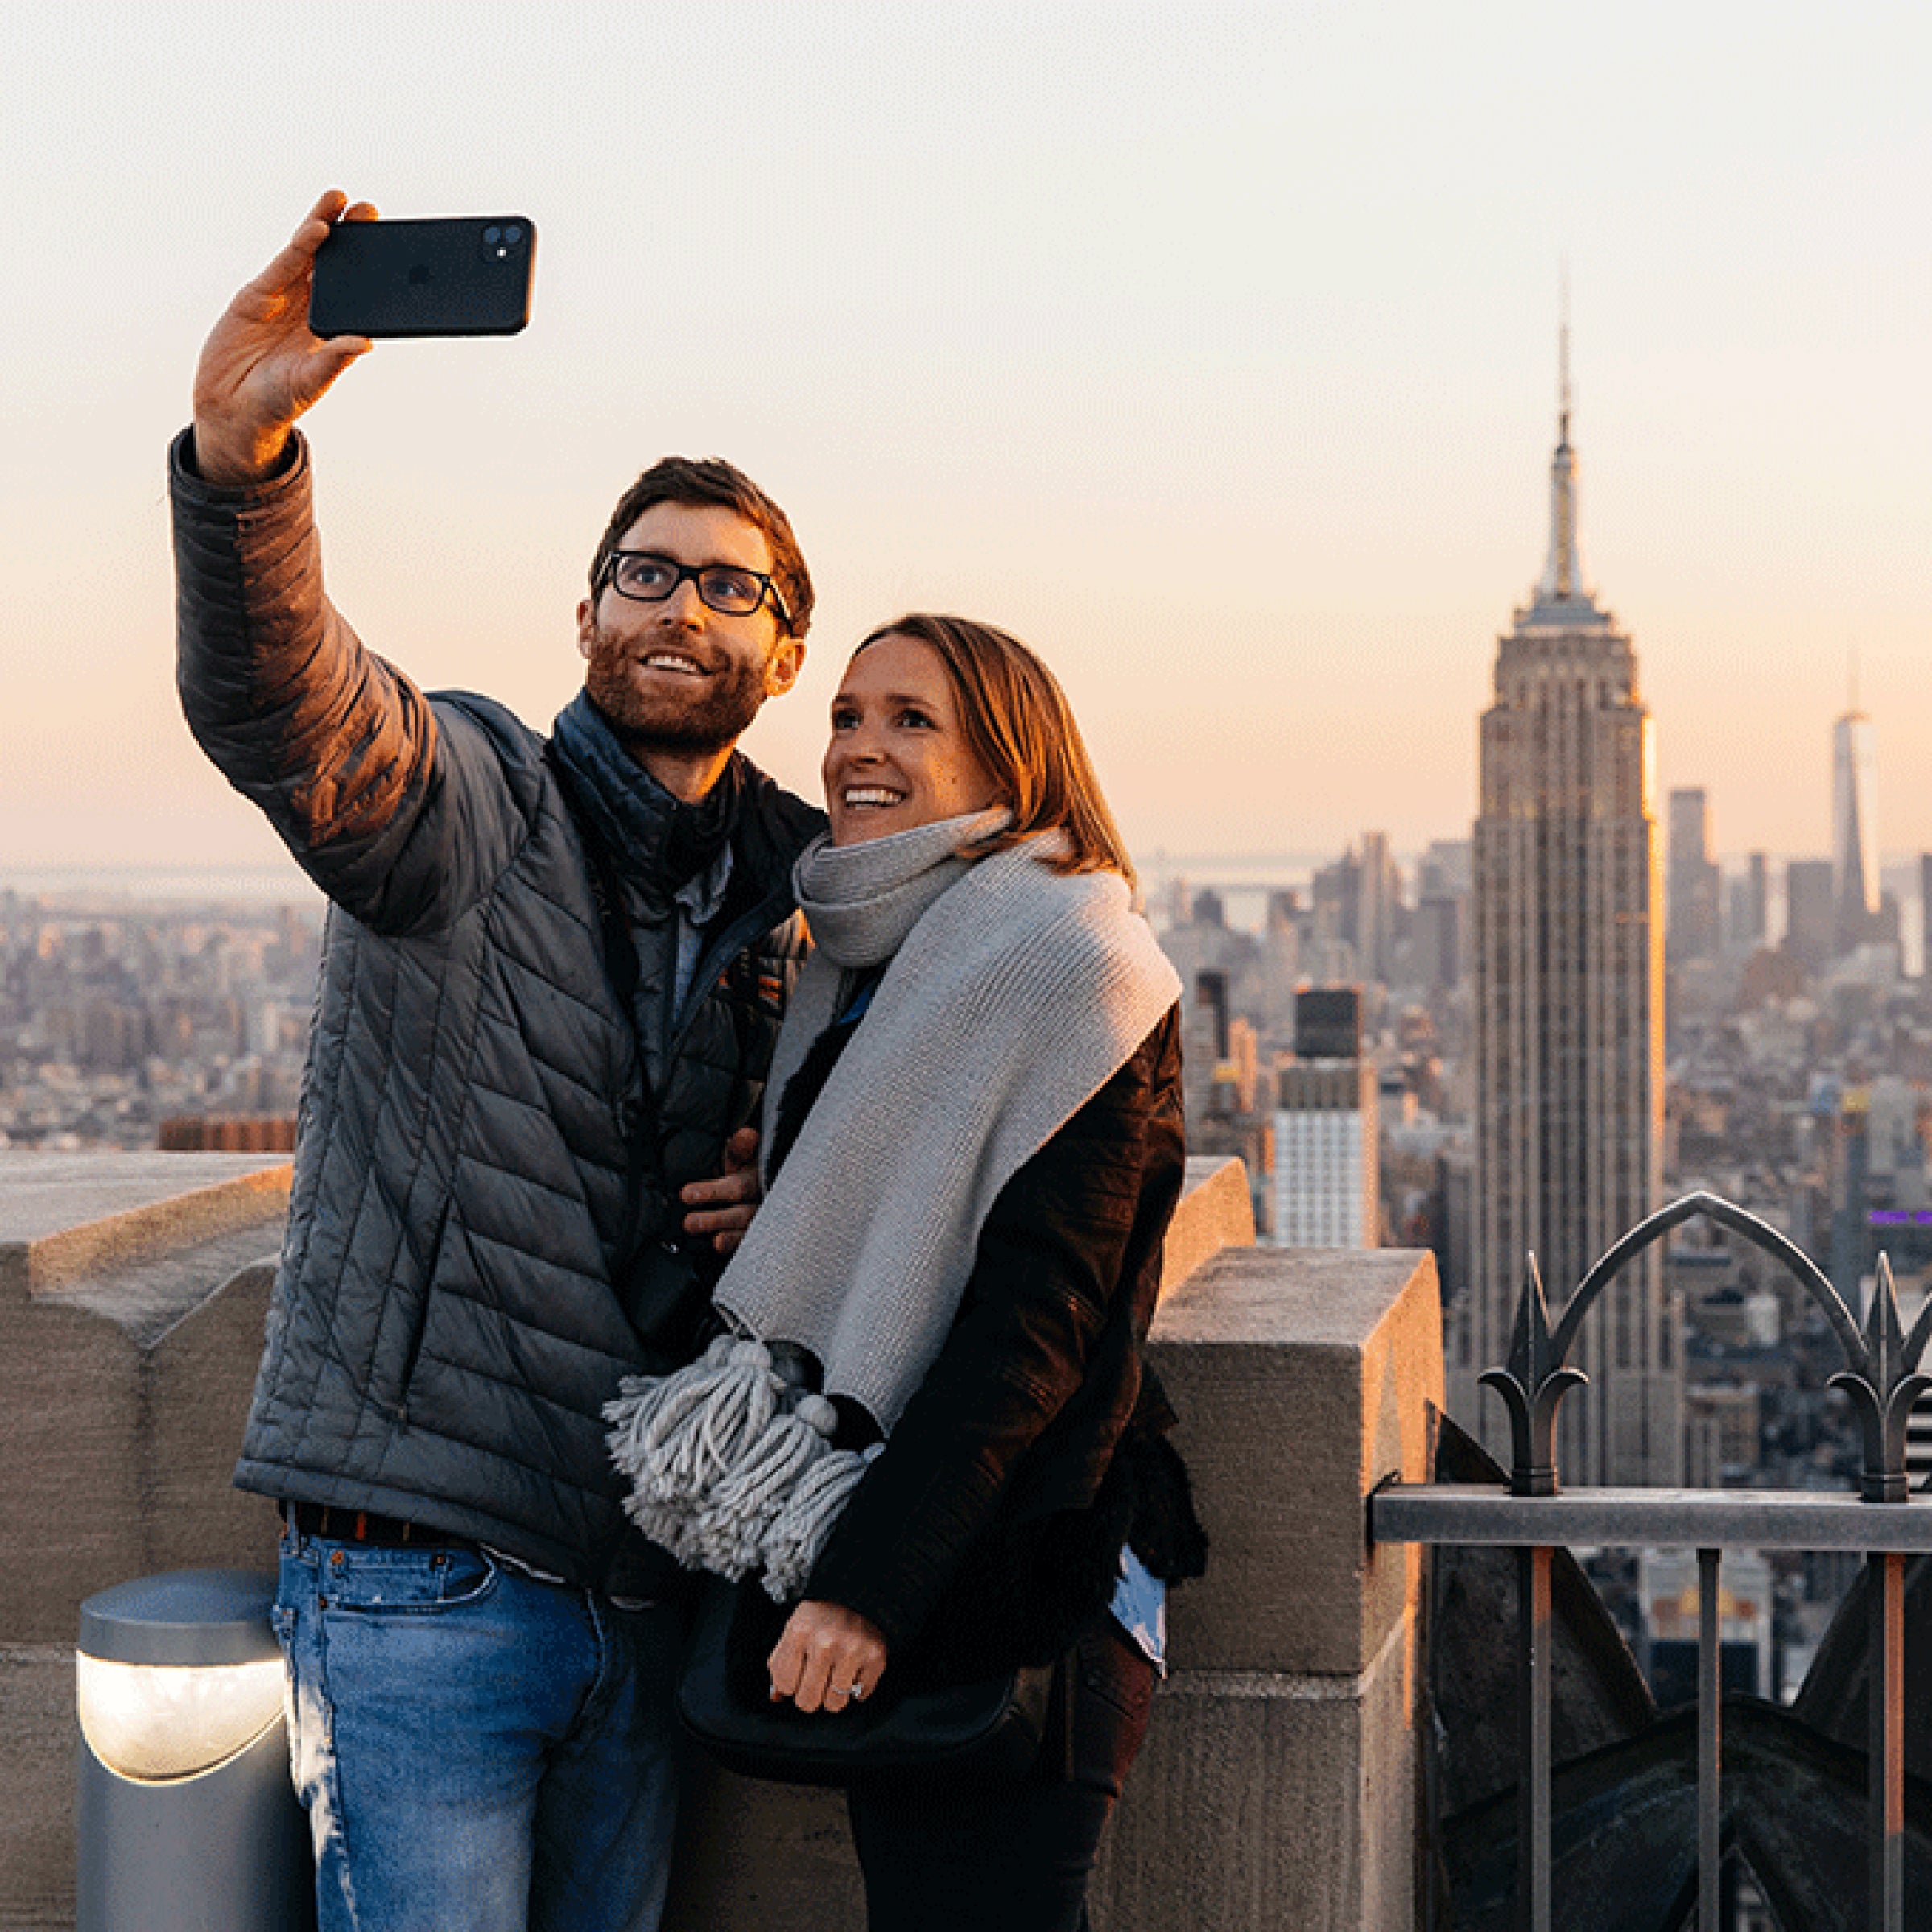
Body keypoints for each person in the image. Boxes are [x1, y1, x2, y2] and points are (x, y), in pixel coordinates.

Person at [171, 191, 824, 1932]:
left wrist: (804, 1175)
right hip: (422, 1586)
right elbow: (292, 710)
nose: (683, 605)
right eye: (647, 572)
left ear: (786, 647)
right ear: (589, 615)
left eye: (730, 584)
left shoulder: (813, 897)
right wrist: (245, 471)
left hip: (647, 1588)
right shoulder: (473, 801)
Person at [609, 613, 1207, 1932]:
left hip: (1013, 1574)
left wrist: (866, 1589)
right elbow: (904, 1219)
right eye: (844, 715)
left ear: (1012, 762)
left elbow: (1031, 1335)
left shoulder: (1073, 967)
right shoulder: (867, 967)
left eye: (910, 720)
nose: (858, 748)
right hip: (911, 1538)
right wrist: (784, 1198)